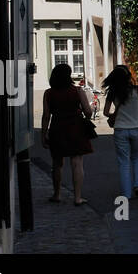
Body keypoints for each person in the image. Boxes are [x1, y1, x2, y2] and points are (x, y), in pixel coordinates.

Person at [41, 64, 93, 206]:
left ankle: (57, 194)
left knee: (57, 163)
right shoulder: (77, 91)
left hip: (57, 128)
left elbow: (46, 116)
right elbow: (88, 112)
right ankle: (77, 197)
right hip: (76, 127)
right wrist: (84, 113)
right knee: (77, 162)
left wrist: (43, 134)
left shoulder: (48, 93)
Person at [102, 64, 138, 198]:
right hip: (137, 129)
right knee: (137, 157)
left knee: (124, 162)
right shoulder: (136, 90)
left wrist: (116, 115)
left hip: (120, 130)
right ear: (128, 76)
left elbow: (105, 112)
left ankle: (126, 194)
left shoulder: (113, 92)